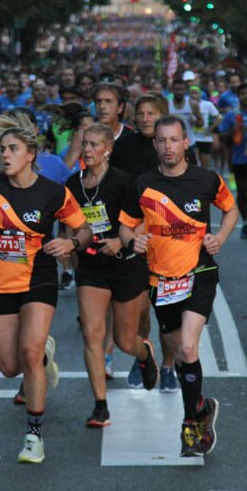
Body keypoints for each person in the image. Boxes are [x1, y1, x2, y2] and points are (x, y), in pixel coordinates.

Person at [0, 119, 91, 463]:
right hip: (0, 283)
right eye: (3, 149)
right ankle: (43, 353)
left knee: (30, 352)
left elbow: (84, 230)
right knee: (9, 367)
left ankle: (34, 436)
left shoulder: (53, 192)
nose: (5, 155)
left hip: (39, 277)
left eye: (13, 149)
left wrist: (70, 245)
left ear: (31, 155)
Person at [119, 116, 238, 457]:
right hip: (161, 278)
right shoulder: (142, 184)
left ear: (186, 142)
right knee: (179, 349)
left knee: (187, 347)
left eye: (174, 140)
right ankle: (202, 407)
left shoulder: (206, 179)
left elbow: (230, 210)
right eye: (162, 141)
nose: (168, 147)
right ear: (154, 145)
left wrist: (221, 238)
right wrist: (132, 242)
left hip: (199, 270)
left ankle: (190, 424)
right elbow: (126, 227)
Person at [67, 124, 157, 428]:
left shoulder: (123, 182)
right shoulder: (73, 184)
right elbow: (70, 221)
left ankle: (144, 353)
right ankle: (100, 405)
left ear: (108, 149)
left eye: (94, 145)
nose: (88, 150)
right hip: (91, 267)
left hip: (125, 264)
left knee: (123, 340)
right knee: (92, 333)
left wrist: (121, 241)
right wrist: (70, 247)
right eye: (85, 144)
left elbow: (140, 223)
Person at [109, 94, 179, 392]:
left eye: (152, 113)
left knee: (167, 309)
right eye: (141, 113)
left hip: (168, 239)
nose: (146, 117)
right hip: (134, 235)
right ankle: (145, 358)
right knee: (139, 309)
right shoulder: (123, 145)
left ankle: (169, 366)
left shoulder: (172, 147)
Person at [217, 83, 247, 239]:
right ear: (238, 96)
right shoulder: (232, 115)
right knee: (242, 192)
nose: (245, 96)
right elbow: (221, 135)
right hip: (237, 159)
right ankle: (245, 222)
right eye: (242, 93)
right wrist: (234, 131)